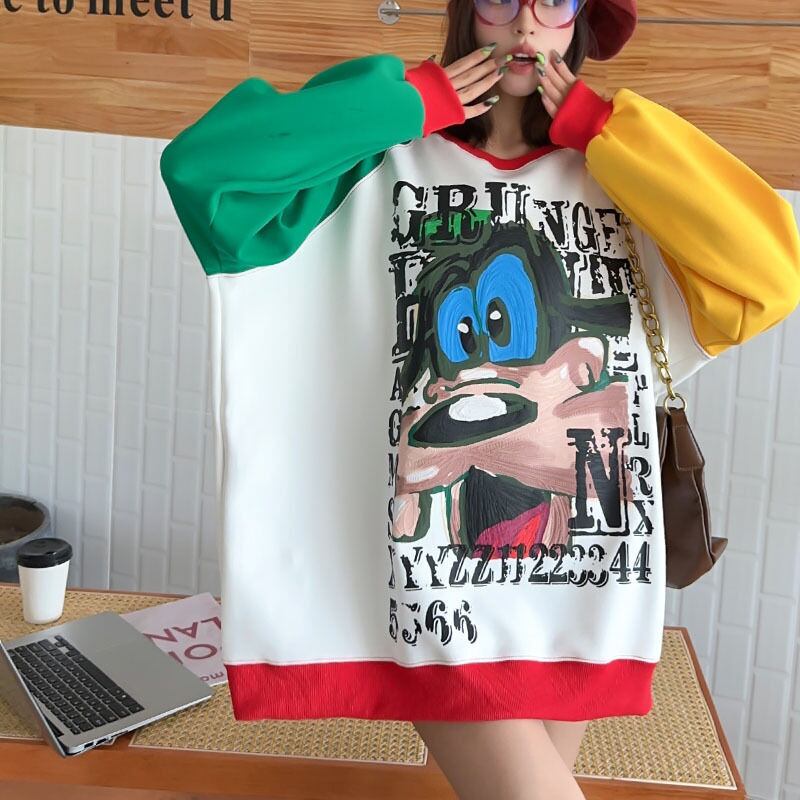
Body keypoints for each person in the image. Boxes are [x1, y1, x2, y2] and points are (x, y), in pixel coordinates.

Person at [159, 0, 800, 798]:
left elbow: (768, 274)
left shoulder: (620, 175)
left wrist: (607, 129)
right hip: (435, 594)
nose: (526, 26)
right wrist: (407, 102)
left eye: (554, 4)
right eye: (500, 0)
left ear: (581, 24)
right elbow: (204, 171)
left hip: (582, 588)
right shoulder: (379, 162)